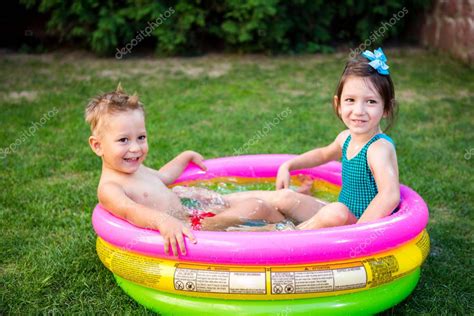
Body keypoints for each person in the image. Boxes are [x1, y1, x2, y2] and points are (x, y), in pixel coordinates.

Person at [85, 84, 290, 256]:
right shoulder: (110, 188)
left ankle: (285, 212)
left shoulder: (136, 170)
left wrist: (184, 157)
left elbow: (164, 176)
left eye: (141, 137)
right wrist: (163, 222)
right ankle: (288, 232)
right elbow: (131, 211)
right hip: (190, 229)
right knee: (257, 207)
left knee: (249, 202)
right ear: (97, 146)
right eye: (123, 140)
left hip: (190, 213)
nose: (135, 148)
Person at [272, 47, 400, 230]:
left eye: (371, 101)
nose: (359, 111)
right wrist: (288, 166)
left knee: (335, 211)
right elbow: (323, 154)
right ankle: (226, 203)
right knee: (285, 198)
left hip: (358, 225)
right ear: (338, 104)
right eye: (350, 100)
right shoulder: (346, 138)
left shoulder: (378, 148)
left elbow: (390, 195)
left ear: (386, 109)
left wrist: (359, 232)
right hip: (340, 216)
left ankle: (286, 236)